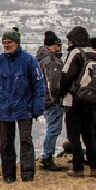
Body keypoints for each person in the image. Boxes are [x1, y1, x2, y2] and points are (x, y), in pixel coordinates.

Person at [0, 27, 47, 183]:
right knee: (6, 144)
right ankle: (8, 176)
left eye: (9, 42)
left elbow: (39, 85)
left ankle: (27, 173)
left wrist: (37, 108)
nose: (6, 46)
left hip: (24, 107)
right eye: (4, 43)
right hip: (4, 108)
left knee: (26, 141)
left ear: (17, 43)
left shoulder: (29, 60)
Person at [60, 27, 96, 176]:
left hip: (74, 99)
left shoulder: (75, 53)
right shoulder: (94, 54)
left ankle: (78, 167)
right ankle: (94, 166)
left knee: (74, 134)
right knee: (89, 133)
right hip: (91, 100)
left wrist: (60, 94)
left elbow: (66, 76)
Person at [35, 31, 66, 172]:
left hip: (42, 98)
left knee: (51, 127)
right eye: (59, 45)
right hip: (52, 100)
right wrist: (57, 98)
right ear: (53, 45)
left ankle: (46, 158)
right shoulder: (52, 60)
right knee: (53, 129)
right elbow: (54, 82)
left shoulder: (39, 58)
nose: (60, 48)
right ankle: (47, 158)